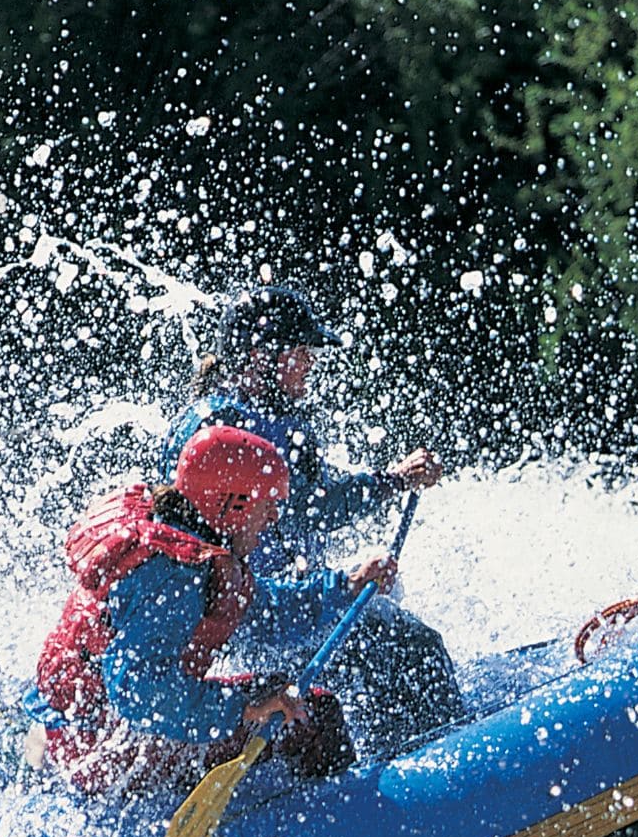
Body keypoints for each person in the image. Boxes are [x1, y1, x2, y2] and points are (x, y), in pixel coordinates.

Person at [164, 284, 463, 747]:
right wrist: (389, 486)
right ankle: (437, 767)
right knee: (411, 646)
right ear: (259, 357)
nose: (310, 364)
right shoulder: (226, 432)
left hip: (274, 609)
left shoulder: (260, 419)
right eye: (300, 352)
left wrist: (393, 482)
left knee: (386, 620)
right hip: (263, 623)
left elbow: (312, 505)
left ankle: (393, 749)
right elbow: (310, 511)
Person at [27, 425, 394, 796]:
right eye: (266, 505)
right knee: (312, 713)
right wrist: (242, 707)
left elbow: (265, 611)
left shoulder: (179, 534)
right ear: (230, 505)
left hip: (73, 726)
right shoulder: (175, 574)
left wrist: (346, 586)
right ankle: (329, 829)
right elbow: (138, 692)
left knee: (277, 693)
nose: (272, 519)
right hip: (98, 750)